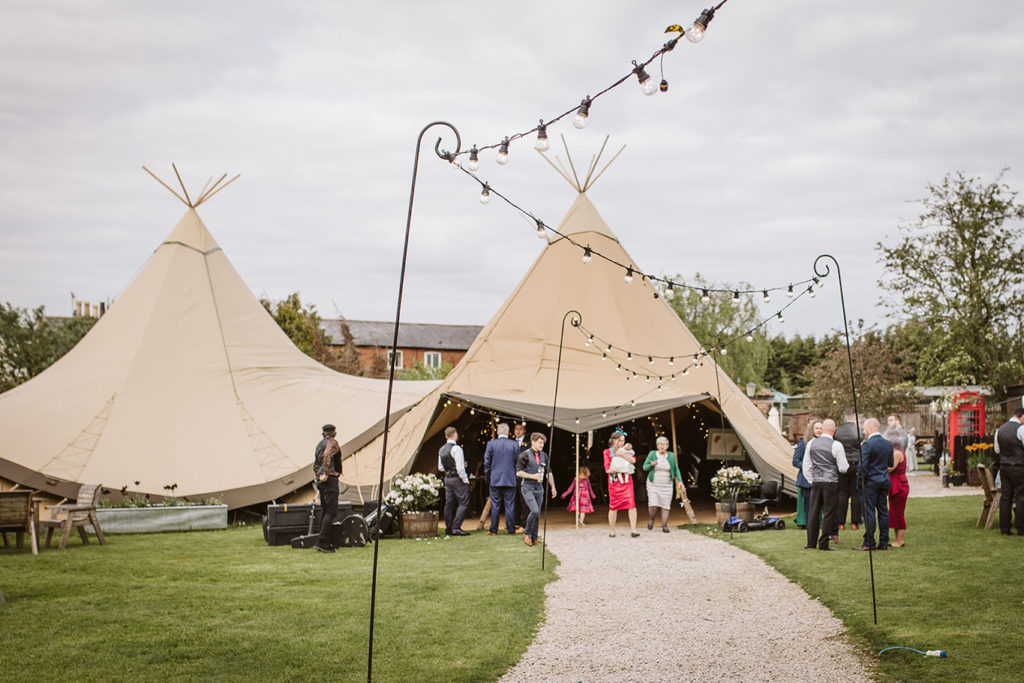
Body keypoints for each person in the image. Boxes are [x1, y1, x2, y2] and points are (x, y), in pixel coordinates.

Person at [802, 419, 849, 550]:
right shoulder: (837, 445)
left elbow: (806, 465)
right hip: (831, 482)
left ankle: (811, 543)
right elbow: (843, 468)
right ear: (834, 430)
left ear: (822, 429)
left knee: (813, 512)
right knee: (828, 513)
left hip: (816, 482)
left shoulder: (811, 443)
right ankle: (823, 543)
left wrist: (812, 480)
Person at [853, 419, 894, 551]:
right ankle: (883, 542)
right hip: (883, 480)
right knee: (883, 511)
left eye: (864, 429)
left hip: (870, 482)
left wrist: (860, 481)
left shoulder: (867, 445)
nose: (864, 432)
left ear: (870, 428)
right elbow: (890, 463)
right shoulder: (888, 444)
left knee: (868, 511)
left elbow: (862, 466)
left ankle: (869, 542)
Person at [516, 432, 557, 546]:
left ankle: (534, 537)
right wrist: (532, 476)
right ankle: (527, 533)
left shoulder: (544, 455)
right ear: (533, 442)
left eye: (543, 443)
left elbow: (549, 472)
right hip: (527, 487)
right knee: (534, 510)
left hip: (539, 488)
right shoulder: (524, 455)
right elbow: (518, 472)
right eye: (540, 442)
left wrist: (553, 486)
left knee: (537, 513)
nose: (542, 445)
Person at [483, 423, 520, 535]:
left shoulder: (491, 444)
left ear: (498, 432)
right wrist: (516, 477)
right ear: (508, 433)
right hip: (510, 479)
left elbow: (487, 463)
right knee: (510, 505)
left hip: (495, 479)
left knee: (495, 505)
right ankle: (511, 530)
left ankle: (493, 529)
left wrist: (487, 478)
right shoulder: (514, 444)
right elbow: (518, 463)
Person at [642, 436, 683, 533]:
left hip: (667, 485)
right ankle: (651, 518)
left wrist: (680, 481)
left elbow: (676, 469)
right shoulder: (652, 454)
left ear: (667, 446)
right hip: (653, 484)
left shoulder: (671, 455)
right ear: (657, 445)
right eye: (660, 444)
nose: (662, 446)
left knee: (665, 506)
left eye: (664, 444)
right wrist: (651, 465)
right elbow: (644, 467)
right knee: (653, 505)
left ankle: (664, 526)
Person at [994, 407, 1024, 536]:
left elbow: (997, 450)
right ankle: (1021, 529)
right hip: (1019, 467)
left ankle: (1004, 529)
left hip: (1004, 467)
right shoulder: (1021, 429)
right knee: (1021, 498)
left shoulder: (1000, 430)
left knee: (1006, 498)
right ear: (1021, 416)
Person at [604, 431, 639, 537]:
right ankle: (612, 531)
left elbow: (633, 460)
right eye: (621, 440)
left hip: (627, 481)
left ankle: (634, 530)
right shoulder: (607, 452)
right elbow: (607, 469)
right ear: (614, 440)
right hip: (614, 482)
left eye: (624, 440)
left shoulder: (625, 450)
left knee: (631, 504)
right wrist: (622, 468)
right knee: (613, 506)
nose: (623, 443)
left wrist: (623, 454)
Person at [313, 424, 341, 553]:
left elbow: (315, 464)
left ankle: (322, 539)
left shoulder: (319, 444)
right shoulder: (332, 443)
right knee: (331, 511)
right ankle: (322, 541)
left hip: (321, 480)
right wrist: (326, 473)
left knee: (325, 510)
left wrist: (318, 475)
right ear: (332, 433)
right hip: (329, 479)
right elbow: (327, 456)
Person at [834, 409, 862, 532]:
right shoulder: (859, 431)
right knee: (855, 494)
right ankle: (855, 522)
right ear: (855, 417)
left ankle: (840, 523)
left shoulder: (838, 431)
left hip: (843, 465)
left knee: (842, 494)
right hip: (856, 464)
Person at [438, 426, 470, 536]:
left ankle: (448, 527)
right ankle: (456, 527)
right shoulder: (457, 449)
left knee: (449, 503)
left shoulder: (441, 449)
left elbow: (440, 467)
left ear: (446, 436)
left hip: (447, 478)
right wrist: (465, 480)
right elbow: (460, 468)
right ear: (455, 435)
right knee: (463, 502)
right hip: (457, 478)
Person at [792, 419, 821, 529]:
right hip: (806, 479)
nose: (819, 430)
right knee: (808, 505)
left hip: (820, 479)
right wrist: (807, 466)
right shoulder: (803, 444)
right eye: (816, 428)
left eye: (820, 428)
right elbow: (795, 461)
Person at [888, 431, 909, 547]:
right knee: (894, 513)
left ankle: (900, 540)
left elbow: (890, 468)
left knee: (899, 513)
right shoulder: (896, 452)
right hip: (895, 483)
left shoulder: (897, 453)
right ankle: (897, 540)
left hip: (899, 485)